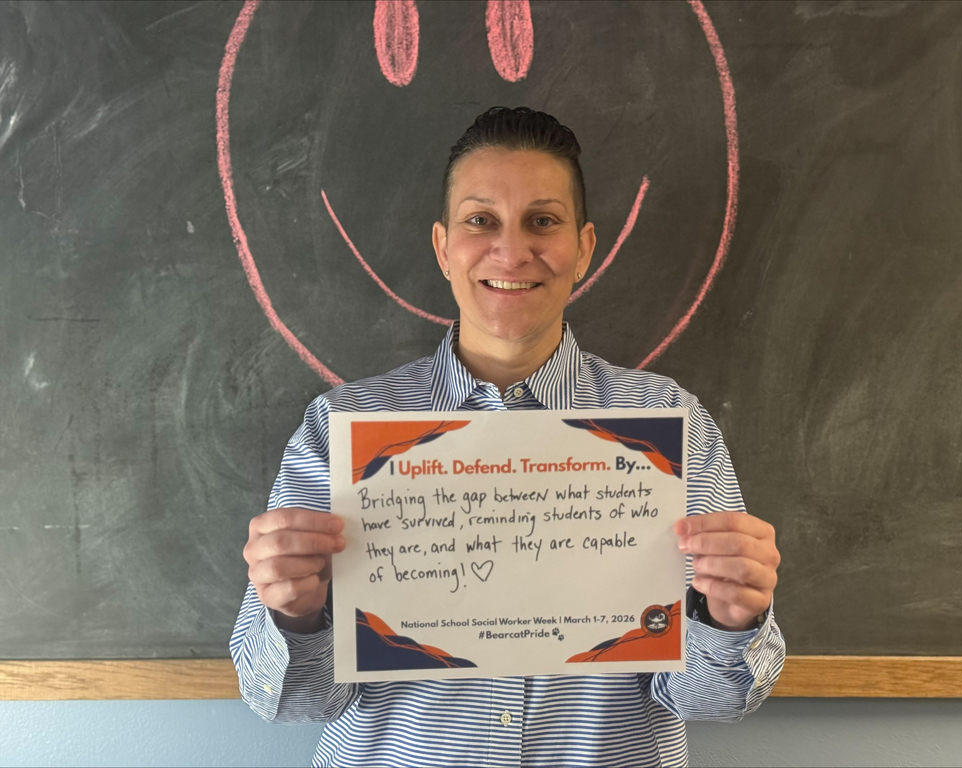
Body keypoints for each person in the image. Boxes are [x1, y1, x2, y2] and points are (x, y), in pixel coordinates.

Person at [231, 106, 785, 767]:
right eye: (481, 221)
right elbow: (290, 702)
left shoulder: (671, 425)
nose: (512, 250)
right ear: (443, 247)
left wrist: (731, 620)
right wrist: (296, 616)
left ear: (584, 248)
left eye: (542, 221)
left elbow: (712, 700)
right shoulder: (341, 430)